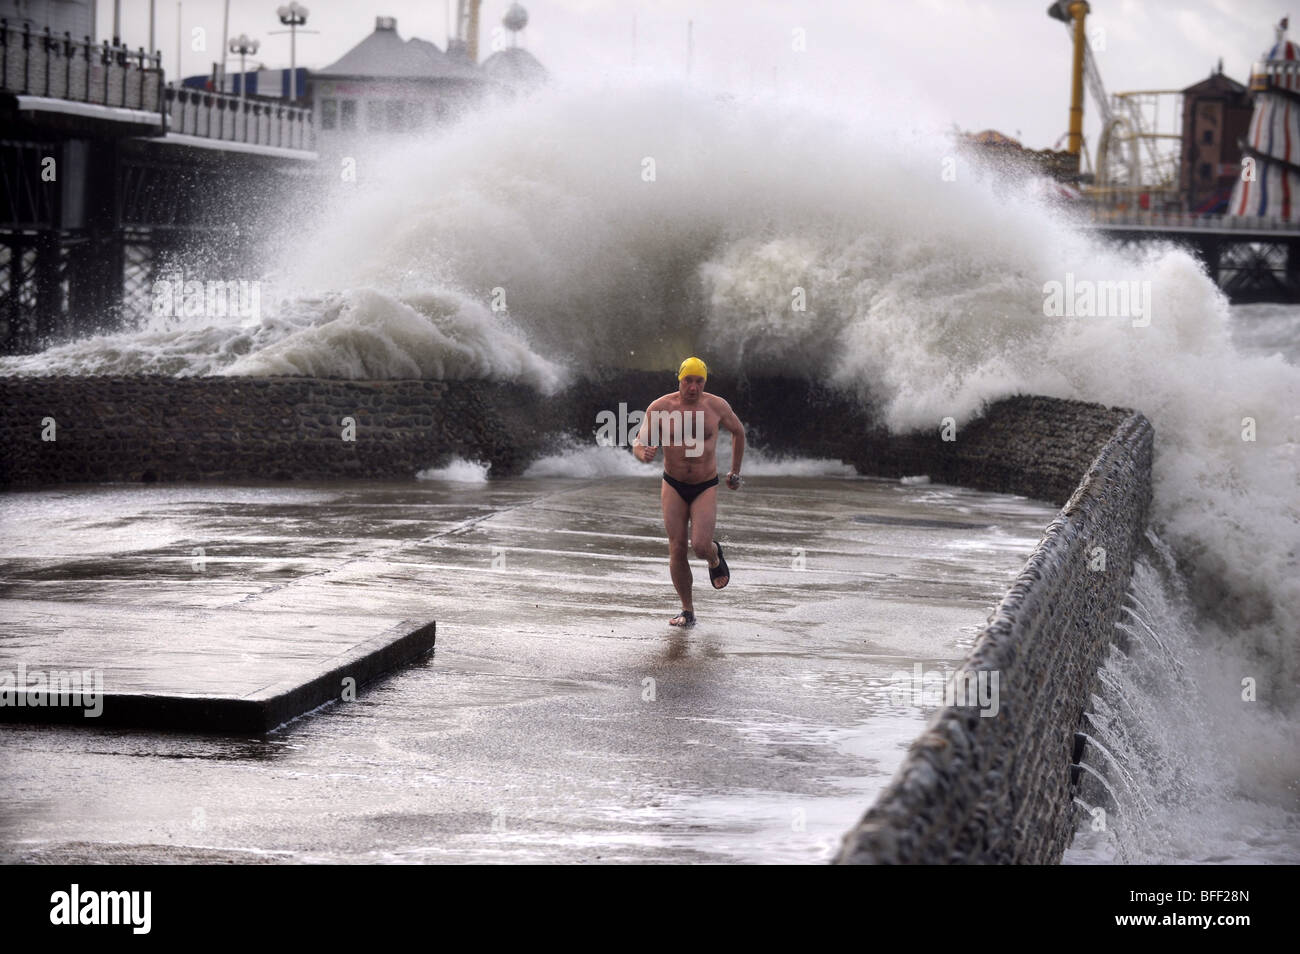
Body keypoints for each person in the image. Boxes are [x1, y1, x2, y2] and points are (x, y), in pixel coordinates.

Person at [632, 356, 745, 628]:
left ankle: (715, 554)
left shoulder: (716, 406)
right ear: (679, 379)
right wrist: (642, 452)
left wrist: (734, 472)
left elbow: (738, 432)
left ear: (704, 382)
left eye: (699, 381)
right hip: (673, 483)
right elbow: (639, 440)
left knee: (701, 546)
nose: (693, 387)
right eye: (687, 380)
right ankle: (687, 610)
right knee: (677, 547)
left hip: (705, 485)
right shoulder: (660, 407)